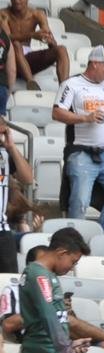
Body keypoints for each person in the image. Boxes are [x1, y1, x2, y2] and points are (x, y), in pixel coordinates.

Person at [52, 46, 104, 232]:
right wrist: (85, 118)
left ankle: (98, 235)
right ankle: (74, 240)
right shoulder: (71, 84)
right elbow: (57, 113)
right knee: (80, 202)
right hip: (80, 152)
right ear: (95, 63)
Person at [17, 228, 89, 353]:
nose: (72, 268)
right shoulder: (40, 275)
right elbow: (49, 316)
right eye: (73, 262)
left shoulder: (41, 274)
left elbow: (46, 319)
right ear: (61, 252)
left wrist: (69, 344)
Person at [1, 0, 68, 88]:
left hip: (28, 58)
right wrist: (32, 35)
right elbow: (7, 38)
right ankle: (31, 83)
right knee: (16, 45)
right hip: (9, 59)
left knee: (61, 49)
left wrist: (49, 40)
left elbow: (50, 39)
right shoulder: (3, 14)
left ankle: (65, 88)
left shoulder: (37, 14)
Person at [0, 117, 32, 274]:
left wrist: (11, 147)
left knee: (8, 282)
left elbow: (28, 179)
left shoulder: (5, 154)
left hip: (2, 230)